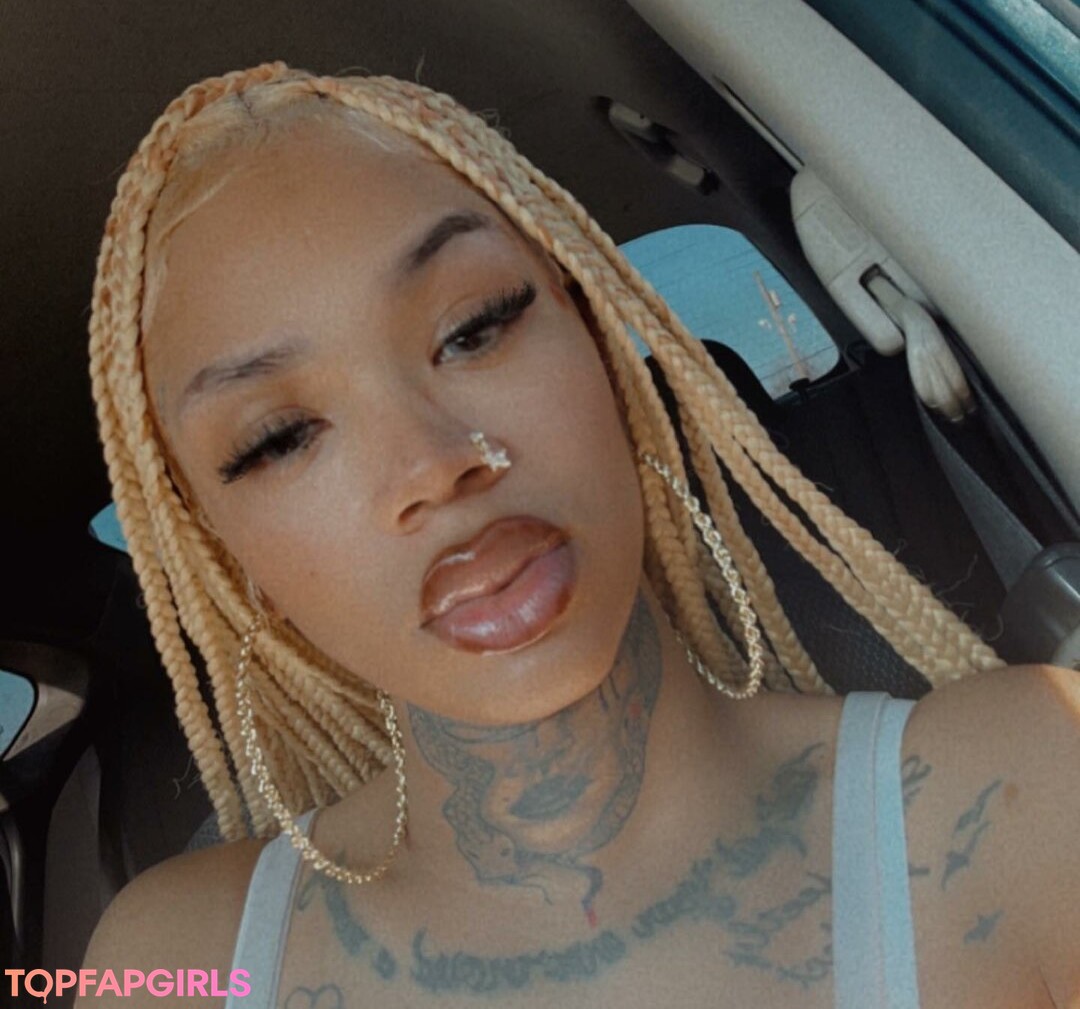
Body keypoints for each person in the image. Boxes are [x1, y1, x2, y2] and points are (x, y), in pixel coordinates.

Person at [79, 63, 1078, 1008]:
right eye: (280, 437)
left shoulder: (1034, 780)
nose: (433, 464)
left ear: (599, 338)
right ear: (227, 559)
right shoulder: (170, 961)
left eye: (475, 326)